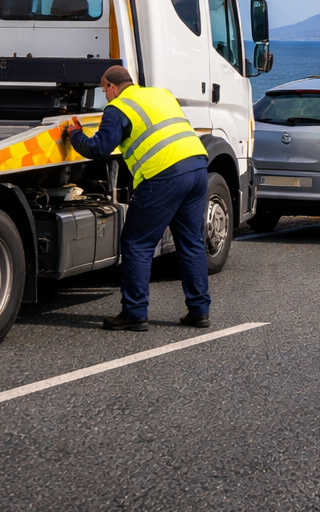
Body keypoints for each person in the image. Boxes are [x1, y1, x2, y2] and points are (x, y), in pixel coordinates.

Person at [63, 65, 211, 331]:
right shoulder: (161, 94)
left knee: (137, 243)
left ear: (111, 86)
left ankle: (134, 313)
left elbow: (100, 147)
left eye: (103, 88)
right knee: (191, 243)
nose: (105, 95)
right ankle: (199, 312)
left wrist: (74, 133)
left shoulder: (118, 107)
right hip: (198, 168)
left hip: (164, 176)